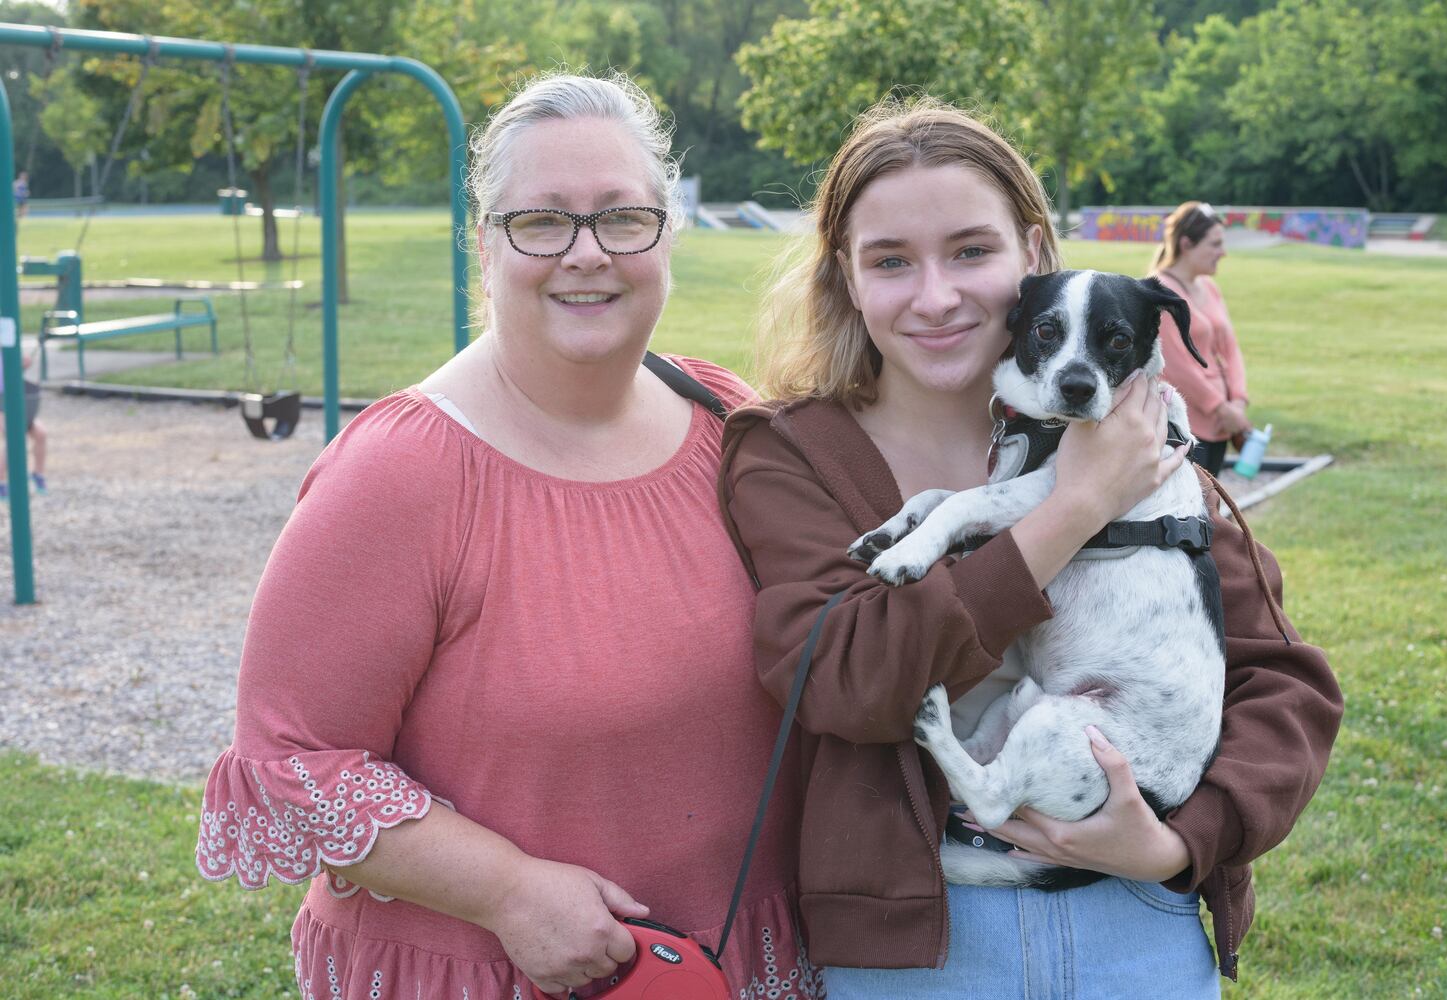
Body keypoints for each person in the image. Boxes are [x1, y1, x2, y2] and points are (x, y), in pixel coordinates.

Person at [196, 73, 820, 1000]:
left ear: (665, 232)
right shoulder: (401, 474)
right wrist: (507, 890)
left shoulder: (727, 421)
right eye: (542, 221)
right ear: (485, 243)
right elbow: (292, 756)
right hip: (488, 973)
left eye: (621, 217)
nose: (586, 254)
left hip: (738, 961)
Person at [717, 100, 1342, 998]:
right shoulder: (793, 453)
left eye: (972, 251)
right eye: (891, 260)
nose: (936, 295)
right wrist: (1073, 509)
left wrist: (1177, 841)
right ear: (847, 279)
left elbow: (1285, 685)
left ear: (1035, 259)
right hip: (918, 946)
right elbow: (846, 679)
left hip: (1136, 926)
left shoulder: (1138, 437)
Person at [1149, 201, 1250, 475]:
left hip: (1222, 420)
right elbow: (1176, 366)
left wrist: (1238, 401)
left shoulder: (1209, 287)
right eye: (1215, 244)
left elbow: (1230, 348)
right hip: (1187, 422)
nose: (1223, 253)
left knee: (1211, 501)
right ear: (1186, 244)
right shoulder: (1162, 293)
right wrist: (1221, 408)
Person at [0, 340, 49, 499]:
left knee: (40, 433)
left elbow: (13, 371)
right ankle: (1, 482)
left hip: (14, 401)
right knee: (13, 435)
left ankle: (38, 474)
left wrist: (23, 364)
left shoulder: (7, 346)